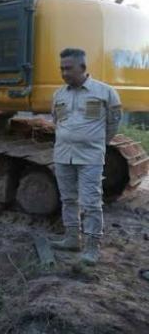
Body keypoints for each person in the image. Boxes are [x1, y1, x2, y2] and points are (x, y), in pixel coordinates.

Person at [50, 48, 122, 266]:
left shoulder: (105, 92)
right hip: (63, 155)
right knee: (68, 199)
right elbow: (57, 121)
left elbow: (113, 123)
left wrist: (95, 142)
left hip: (90, 156)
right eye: (62, 68)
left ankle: (92, 248)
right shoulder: (59, 94)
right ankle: (72, 239)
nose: (64, 73)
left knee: (91, 202)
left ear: (83, 67)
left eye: (68, 68)